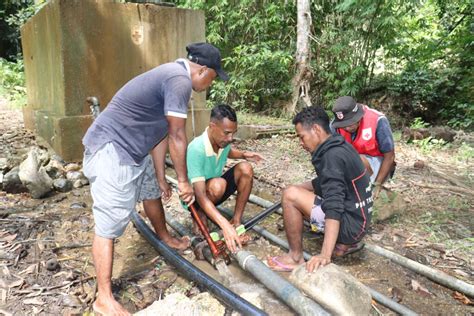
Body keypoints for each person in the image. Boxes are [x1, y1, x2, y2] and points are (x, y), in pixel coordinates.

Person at [82, 42, 228, 316]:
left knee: (151, 192)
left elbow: (161, 136)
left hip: (135, 150)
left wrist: (162, 177)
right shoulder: (178, 81)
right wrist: (183, 181)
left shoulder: (172, 79)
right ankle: (103, 297)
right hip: (112, 150)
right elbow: (177, 135)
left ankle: (164, 236)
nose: (211, 84)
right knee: (110, 221)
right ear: (203, 70)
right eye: (213, 77)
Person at [266, 106, 372, 273]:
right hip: (360, 221)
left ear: (316, 129)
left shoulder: (331, 157)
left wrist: (324, 255)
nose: (301, 143)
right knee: (295, 190)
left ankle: (295, 257)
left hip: (350, 227)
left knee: (290, 196)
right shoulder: (340, 145)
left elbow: (334, 206)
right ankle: (345, 243)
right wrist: (300, 187)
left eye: (302, 137)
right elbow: (329, 180)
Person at [186, 104, 263, 254]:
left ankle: (236, 221)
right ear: (212, 126)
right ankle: (200, 214)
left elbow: (229, 152)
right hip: (197, 198)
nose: (230, 138)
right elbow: (200, 195)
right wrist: (223, 225)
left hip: (215, 190)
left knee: (246, 168)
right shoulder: (196, 149)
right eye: (227, 133)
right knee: (218, 184)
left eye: (233, 133)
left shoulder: (222, 141)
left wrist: (243, 154)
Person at [331, 96, 396, 199]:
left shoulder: (378, 120)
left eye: (350, 123)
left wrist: (378, 184)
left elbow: (390, 157)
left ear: (358, 115)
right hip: (351, 163)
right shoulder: (335, 126)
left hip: (378, 164)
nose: (347, 128)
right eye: (344, 125)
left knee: (356, 158)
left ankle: (369, 186)